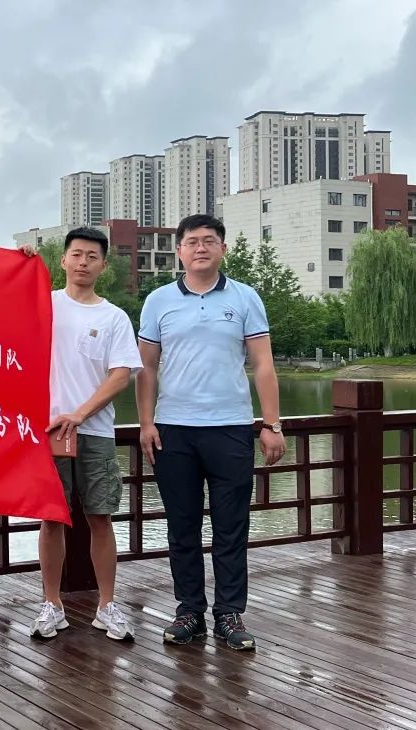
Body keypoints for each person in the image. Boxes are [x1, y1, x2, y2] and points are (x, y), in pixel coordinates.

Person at [135, 214, 285, 652]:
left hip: (231, 427)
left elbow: (263, 364)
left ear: (223, 248)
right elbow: (146, 368)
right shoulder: (158, 301)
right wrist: (146, 423)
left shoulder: (245, 297)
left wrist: (271, 424)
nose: (200, 248)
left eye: (209, 241)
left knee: (230, 526)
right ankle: (189, 611)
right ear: (179, 251)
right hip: (174, 429)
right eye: (191, 242)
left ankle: (229, 613)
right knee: (182, 526)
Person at [23, 227, 142, 641]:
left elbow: (121, 374)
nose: (83, 263)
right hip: (49, 430)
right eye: (76, 254)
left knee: (100, 517)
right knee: (51, 518)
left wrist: (80, 413)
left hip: (95, 431)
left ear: (103, 266)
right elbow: (3, 305)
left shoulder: (113, 317)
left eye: (92, 257)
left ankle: (106, 606)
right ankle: (51, 604)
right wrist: (22, 262)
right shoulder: (45, 303)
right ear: (63, 260)